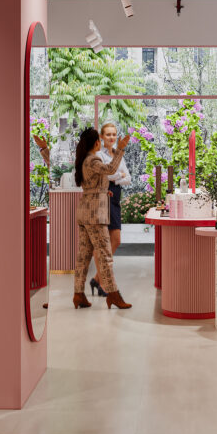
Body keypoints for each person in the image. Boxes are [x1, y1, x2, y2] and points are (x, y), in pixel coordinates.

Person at [73, 127, 133, 310]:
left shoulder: (84, 160)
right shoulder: (93, 160)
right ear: (96, 143)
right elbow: (110, 169)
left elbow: (93, 184)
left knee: (83, 256)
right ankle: (113, 294)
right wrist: (120, 149)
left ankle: (78, 294)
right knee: (105, 255)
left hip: (85, 212)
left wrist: (103, 191)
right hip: (95, 215)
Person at [91, 122, 132, 296]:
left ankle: (97, 279)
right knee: (103, 243)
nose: (112, 137)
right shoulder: (98, 155)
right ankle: (102, 283)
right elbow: (105, 175)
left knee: (116, 240)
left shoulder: (118, 154)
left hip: (115, 199)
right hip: (102, 198)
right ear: (101, 137)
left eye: (114, 134)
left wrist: (116, 177)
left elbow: (128, 178)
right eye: (108, 134)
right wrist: (117, 175)